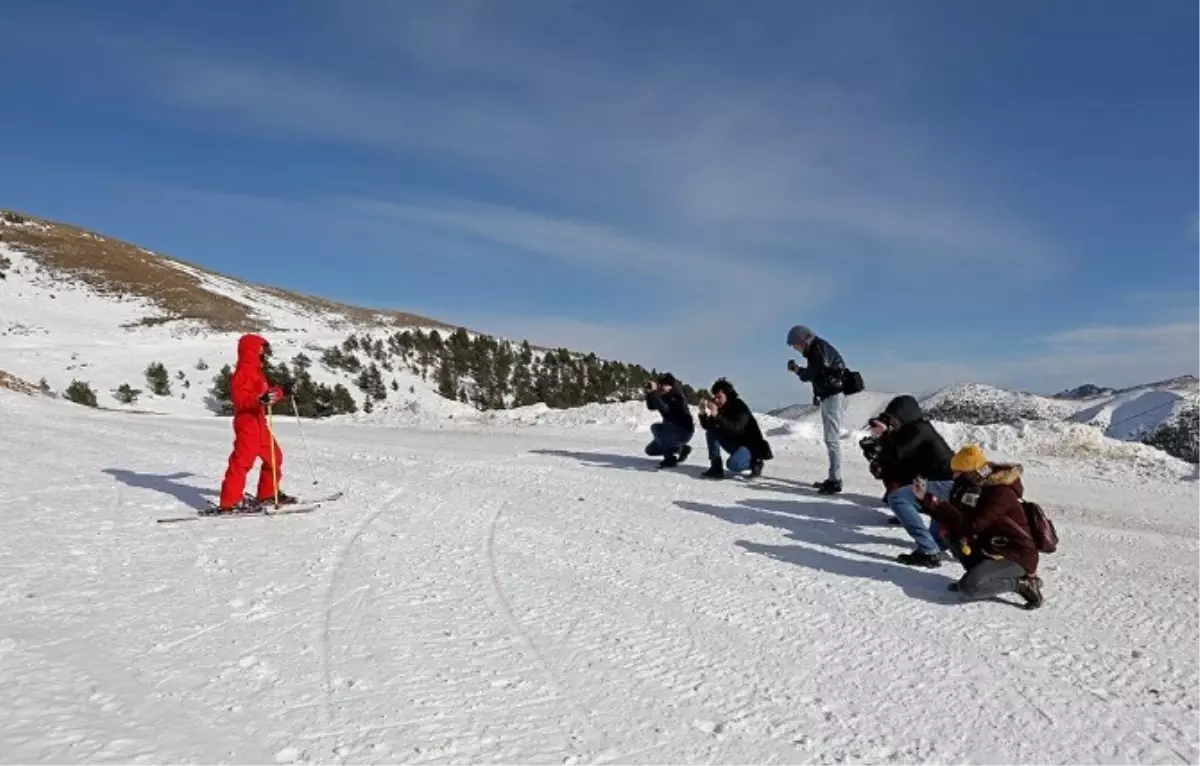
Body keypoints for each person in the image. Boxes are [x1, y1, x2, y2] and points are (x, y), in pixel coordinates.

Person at [915, 444, 1044, 609]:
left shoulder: (999, 493)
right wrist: (926, 500)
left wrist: (937, 505)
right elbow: (956, 515)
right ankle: (978, 576)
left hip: (1015, 554)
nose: (954, 475)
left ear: (973, 473)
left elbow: (973, 526)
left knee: (970, 588)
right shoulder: (968, 486)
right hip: (990, 547)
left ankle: (1021, 584)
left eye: (959, 472)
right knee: (951, 535)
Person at [868, 395, 956, 567]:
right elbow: (901, 467)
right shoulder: (912, 431)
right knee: (936, 535)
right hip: (944, 485)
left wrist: (885, 435)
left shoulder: (920, 429)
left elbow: (898, 452)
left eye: (893, 419)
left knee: (898, 498)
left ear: (904, 416)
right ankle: (939, 544)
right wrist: (880, 466)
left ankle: (929, 551)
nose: (892, 423)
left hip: (947, 485)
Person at [216, 334, 296, 512]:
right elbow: (240, 399)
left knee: (275, 457)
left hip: (259, 421)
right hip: (247, 422)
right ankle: (230, 502)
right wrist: (259, 399)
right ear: (251, 350)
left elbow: (266, 396)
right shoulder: (244, 371)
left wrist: (282, 391)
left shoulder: (257, 372)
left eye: (264, 349)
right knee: (242, 462)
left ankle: (267, 494)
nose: (264, 352)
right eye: (261, 348)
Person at [786, 325, 848, 494]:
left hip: (834, 396)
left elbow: (814, 373)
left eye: (796, 345)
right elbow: (818, 373)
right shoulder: (817, 348)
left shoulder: (816, 349)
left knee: (831, 439)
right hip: (830, 396)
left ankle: (835, 480)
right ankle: (833, 478)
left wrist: (799, 371)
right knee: (830, 438)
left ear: (803, 340)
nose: (796, 349)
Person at [698, 378, 772, 479]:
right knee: (712, 432)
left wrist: (717, 415)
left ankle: (756, 463)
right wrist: (702, 413)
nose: (716, 400)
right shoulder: (720, 408)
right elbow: (708, 427)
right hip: (734, 444)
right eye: (715, 397)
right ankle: (716, 468)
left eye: (719, 397)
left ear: (727, 395)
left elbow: (736, 427)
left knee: (733, 465)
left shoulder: (739, 406)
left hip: (750, 446)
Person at [643, 373, 694, 468]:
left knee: (656, 428)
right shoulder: (664, 395)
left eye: (663, 385)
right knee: (650, 450)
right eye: (659, 385)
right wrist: (649, 393)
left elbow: (665, 409)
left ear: (670, 386)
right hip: (670, 432)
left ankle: (670, 458)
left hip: (682, 432)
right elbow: (651, 407)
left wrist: (654, 392)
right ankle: (681, 449)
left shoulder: (677, 396)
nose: (660, 388)